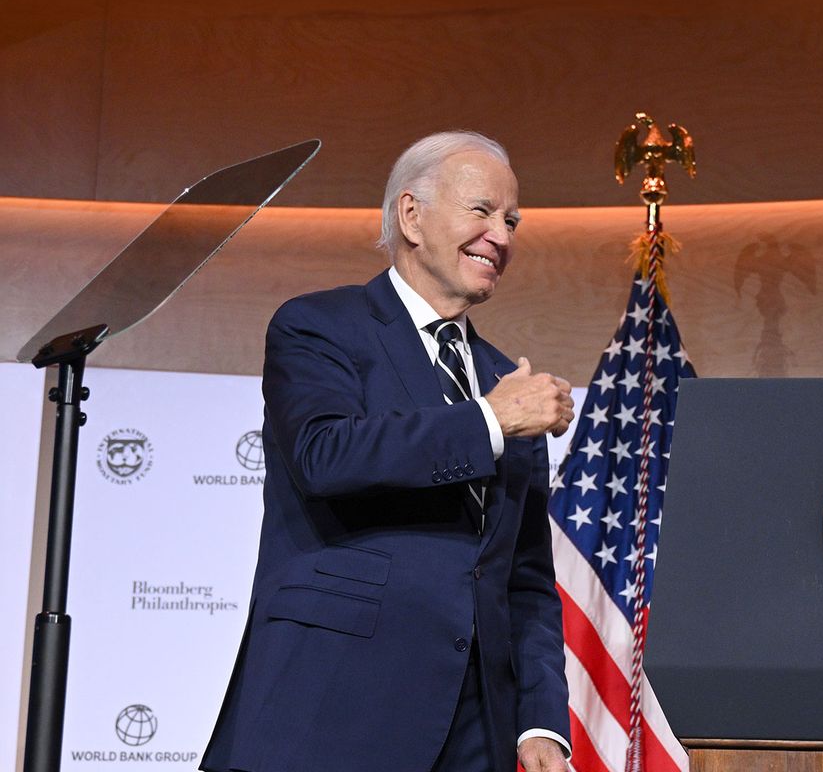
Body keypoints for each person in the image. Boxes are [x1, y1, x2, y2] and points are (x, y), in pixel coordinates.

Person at [201, 131, 574, 772]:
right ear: (411, 216)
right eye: (482, 211)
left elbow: (525, 577)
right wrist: (490, 419)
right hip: (333, 711)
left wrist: (541, 722)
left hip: (476, 732)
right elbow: (327, 454)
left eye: (511, 220)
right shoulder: (319, 325)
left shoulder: (505, 380)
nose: (503, 237)